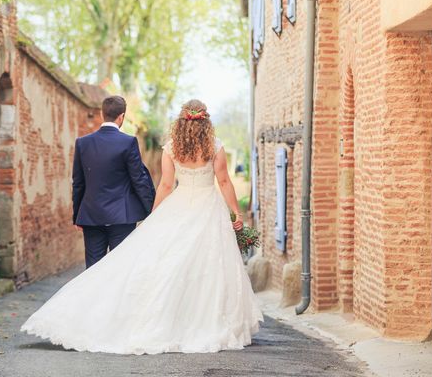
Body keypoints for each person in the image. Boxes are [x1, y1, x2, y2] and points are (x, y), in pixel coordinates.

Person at [21, 99, 263, 354]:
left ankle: (140, 318)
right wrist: (236, 212)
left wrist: (154, 216)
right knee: (210, 266)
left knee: (169, 263)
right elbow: (224, 181)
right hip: (208, 207)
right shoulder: (215, 146)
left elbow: (166, 185)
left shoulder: (172, 148)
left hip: (178, 206)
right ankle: (205, 320)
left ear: (182, 121)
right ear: (206, 122)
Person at [72, 95, 156, 268]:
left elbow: (78, 183)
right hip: (122, 217)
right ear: (121, 117)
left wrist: (77, 217)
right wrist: (151, 211)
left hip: (91, 217)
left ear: (103, 114)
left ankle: (94, 296)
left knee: (93, 270)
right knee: (120, 269)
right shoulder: (128, 142)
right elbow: (138, 179)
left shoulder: (82, 143)